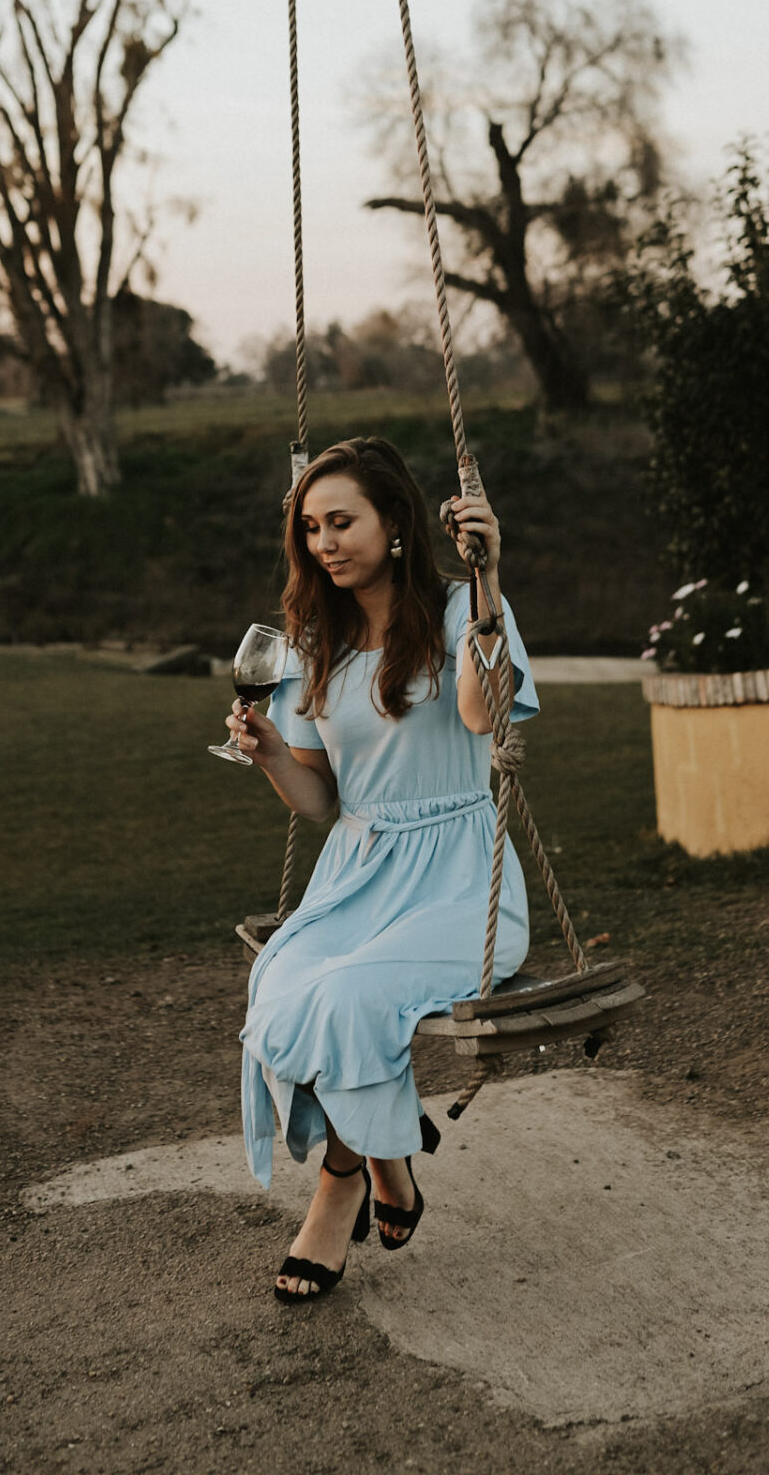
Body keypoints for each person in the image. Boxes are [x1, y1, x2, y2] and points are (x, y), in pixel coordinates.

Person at [226, 436, 539, 1303]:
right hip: (357, 873)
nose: (325, 542)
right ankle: (393, 1159)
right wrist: (264, 756)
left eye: (343, 522)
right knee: (281, 982)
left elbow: (483, 715)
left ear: (394, 524)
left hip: (458, 879)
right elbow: (320, 801)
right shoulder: (310, 642)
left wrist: (489, 580)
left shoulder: (456, 613)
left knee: (349, 997)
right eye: (312, 526)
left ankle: (340, 1186)